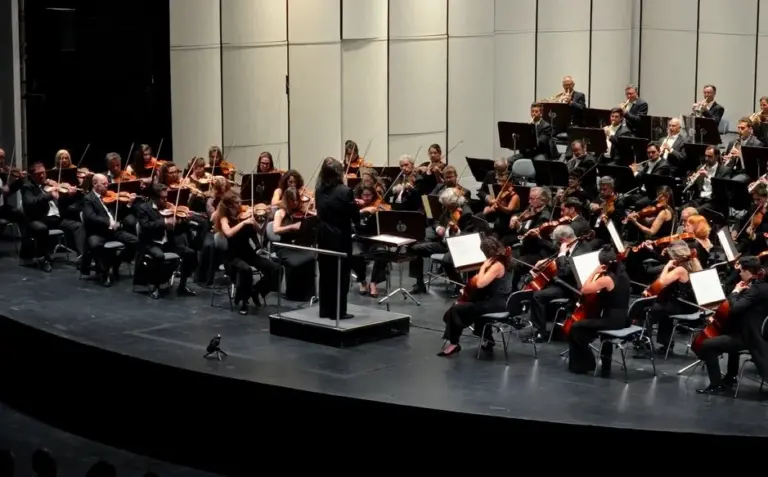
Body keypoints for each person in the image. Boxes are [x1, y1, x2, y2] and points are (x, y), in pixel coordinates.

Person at [694, 256, 768, 395]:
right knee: (728, 339)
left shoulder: (756, 289)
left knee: (706, 344)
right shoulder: (761, 286)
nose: (739, 274)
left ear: (746, 271)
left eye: (740, 271)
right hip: (749, 331)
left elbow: (735, 308)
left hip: (749, 336)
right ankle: (730, 377)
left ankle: (716, 385)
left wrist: (735, 292)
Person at [438, 236, 514, 357]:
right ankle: (487, 339)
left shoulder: (497, 265)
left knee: (456, 309)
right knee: (467, 308)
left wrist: (483, 267)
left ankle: (454, 343)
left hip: (496, 304)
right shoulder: (505, 260)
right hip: (499, 300)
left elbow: (480, 283)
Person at [567, 246, 631, 376]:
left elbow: (584, 289)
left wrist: (595, 272)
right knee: (594, 329)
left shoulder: (607, 279)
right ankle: (605, 365)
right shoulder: (624, 274)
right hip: (624, 319)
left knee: (575, 327)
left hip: (611, 321)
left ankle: (585, 364)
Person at [214, 192, 279, 315]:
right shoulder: (225, 218)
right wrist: (243, 223)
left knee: (277, 269)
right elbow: (228, 233)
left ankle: (256, 291)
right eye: (237, 203)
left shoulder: (247, 216)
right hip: (232, 256)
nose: (241, 205)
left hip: (248, 253)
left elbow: (260, 232)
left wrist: (265, 219)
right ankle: (244, 302)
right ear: (229, 206)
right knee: (246, 270)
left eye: (240, 202)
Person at [315, 157, 359, 319]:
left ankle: (325, 310)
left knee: (325, 275)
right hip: (340, 238)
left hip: (323, 236)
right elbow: (354, 216)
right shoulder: (345, 191)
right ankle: (338, 312)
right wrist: (355, 205)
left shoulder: (318, 189)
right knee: (341, 276)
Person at [644, 240, 701, 354]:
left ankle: (645, 342)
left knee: (648, 309)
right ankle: (667, 343)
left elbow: (662, 281)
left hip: (683, 306)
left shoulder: (680, 270)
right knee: (663, 307)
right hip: (688, 304)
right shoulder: (694, 263)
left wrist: (667, 266)